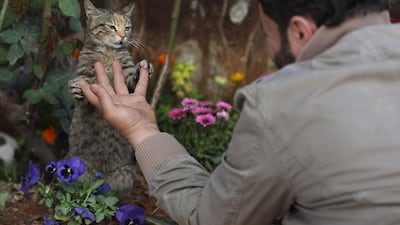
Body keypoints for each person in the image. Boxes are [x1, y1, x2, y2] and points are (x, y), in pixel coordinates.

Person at [79, 0, 400, 224]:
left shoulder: (285, 102)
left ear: (300, 31)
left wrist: (142, 132)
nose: (268, 48)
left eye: (265, 34)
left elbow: (217, 219)